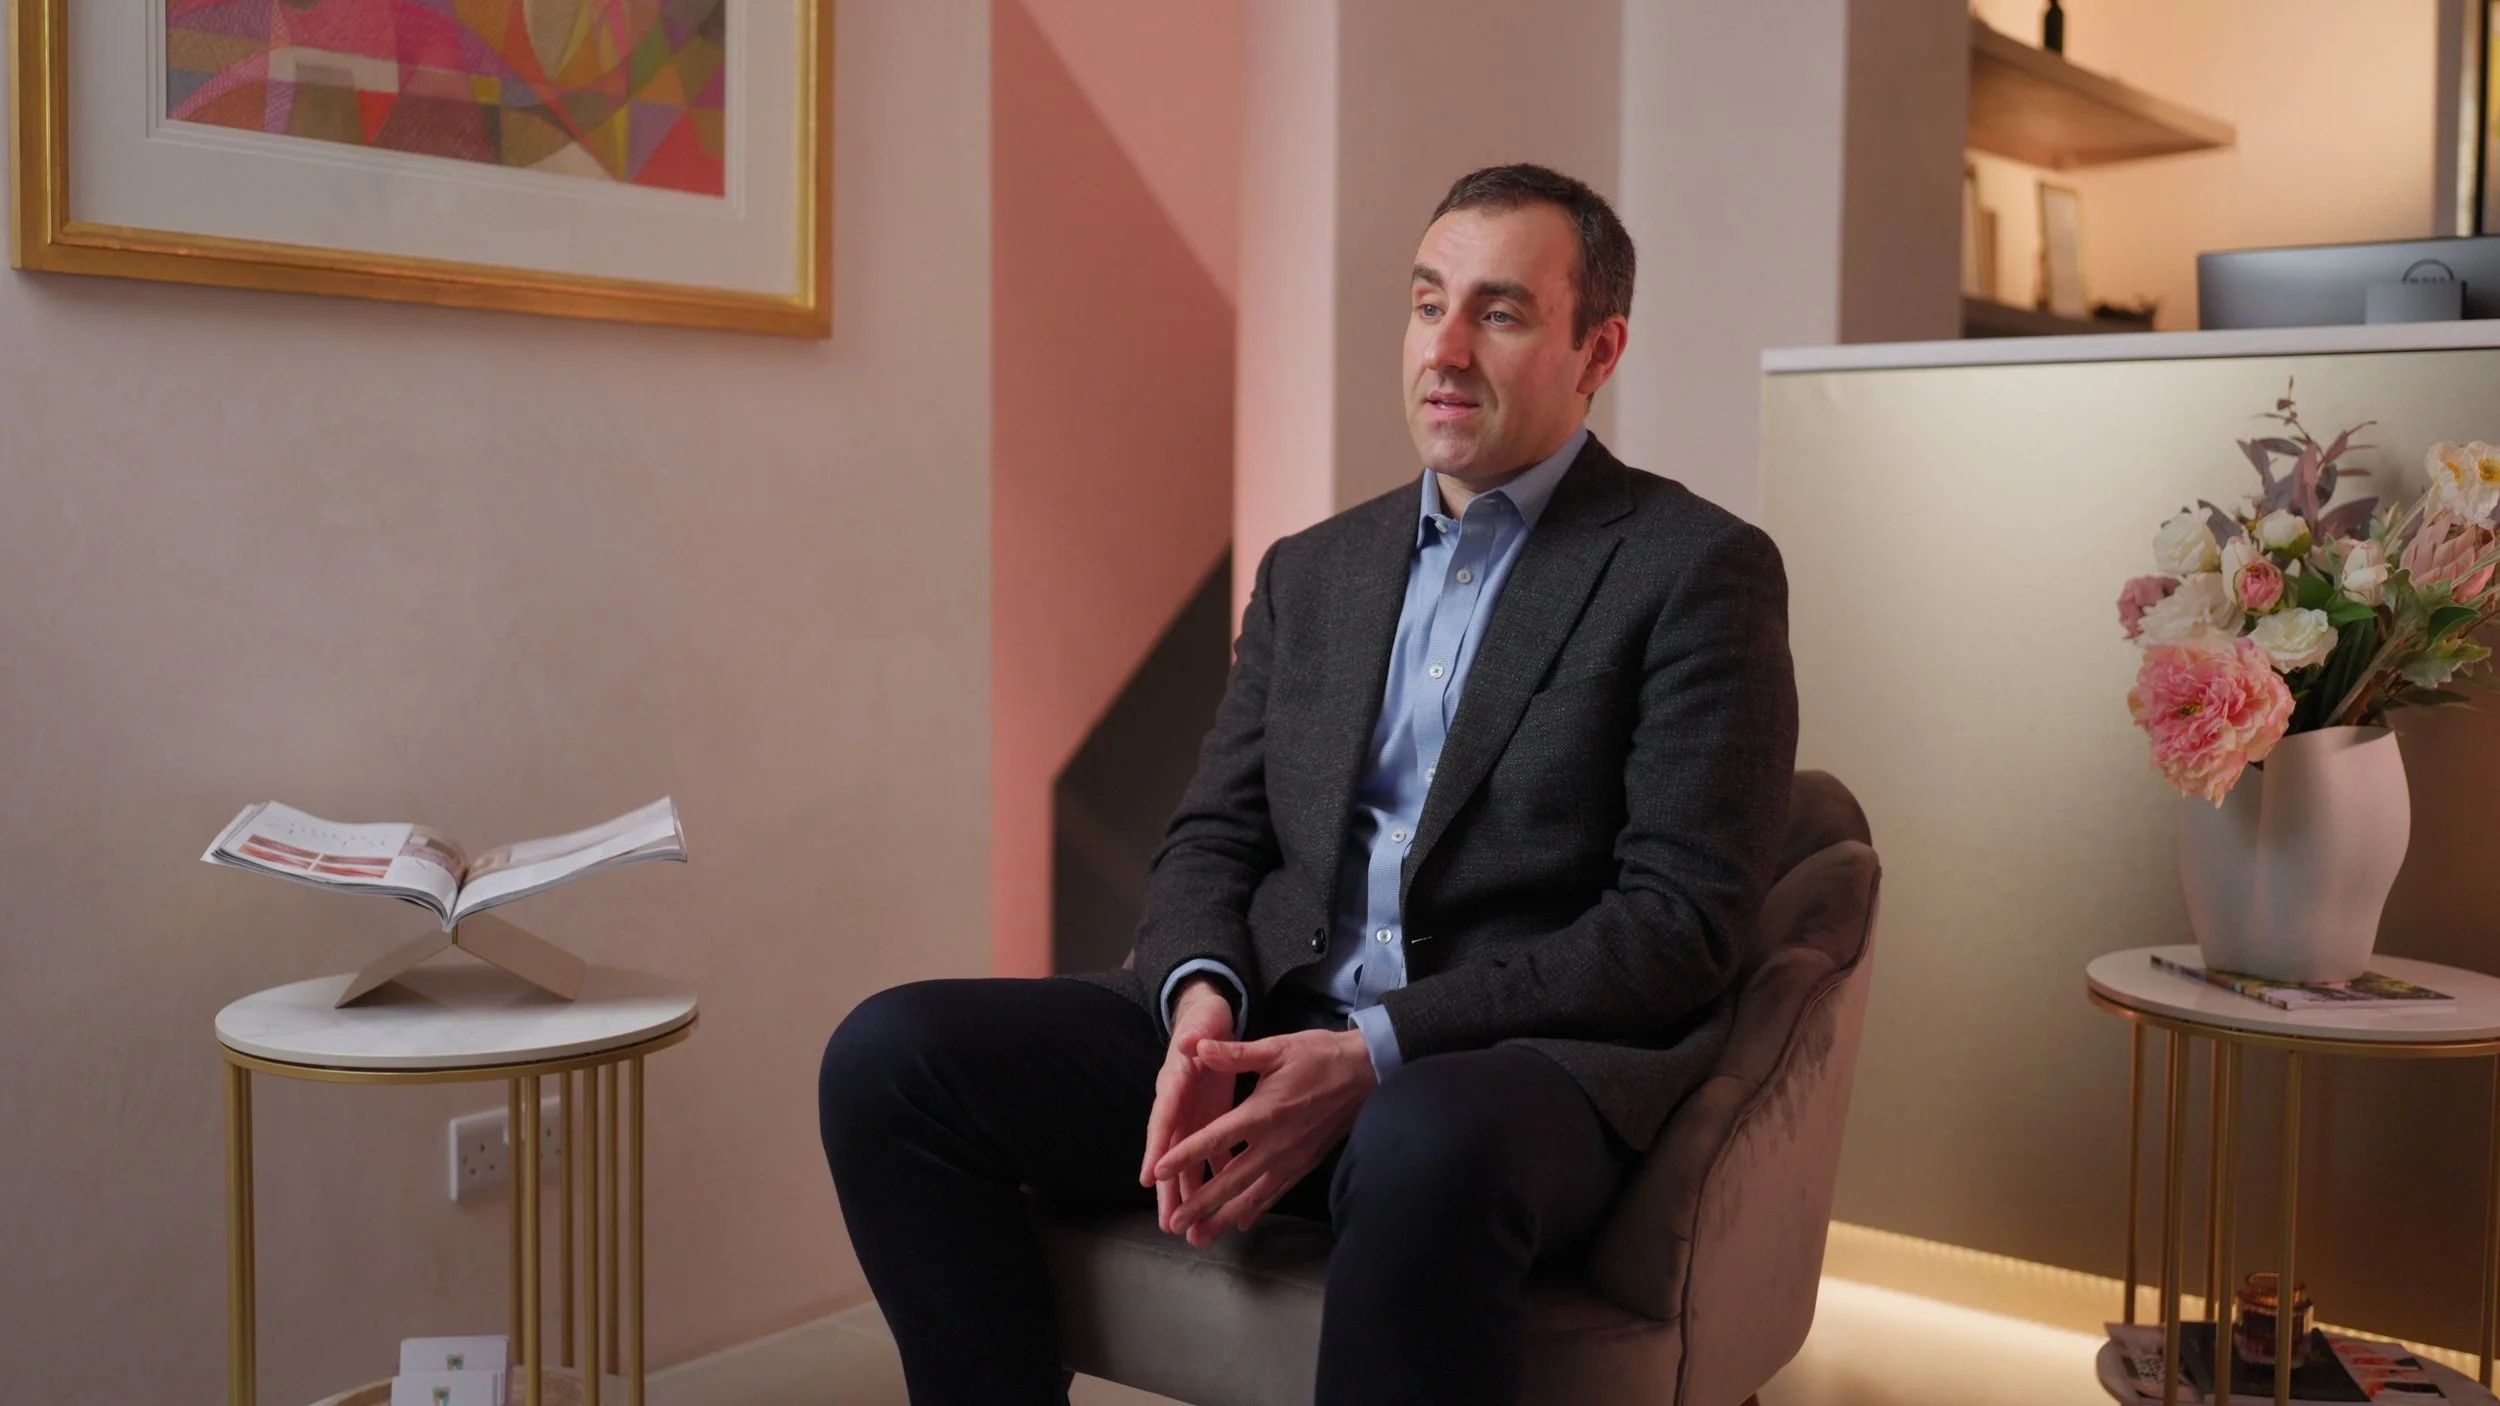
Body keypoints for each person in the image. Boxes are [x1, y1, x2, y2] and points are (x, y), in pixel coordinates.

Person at [819, 162, 1798, 1406]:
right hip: (1273, 1011)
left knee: (1421, 1136)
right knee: (889, 1055)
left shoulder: (1694, 569)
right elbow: (1213, 836)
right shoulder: (1312, 571)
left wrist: (1374, 1050)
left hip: (1502, 1058)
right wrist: (1199, 1006)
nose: (1443, 350)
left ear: (1594, 348)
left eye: (1497, 313)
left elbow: (1681, 924)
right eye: (1425, 300)